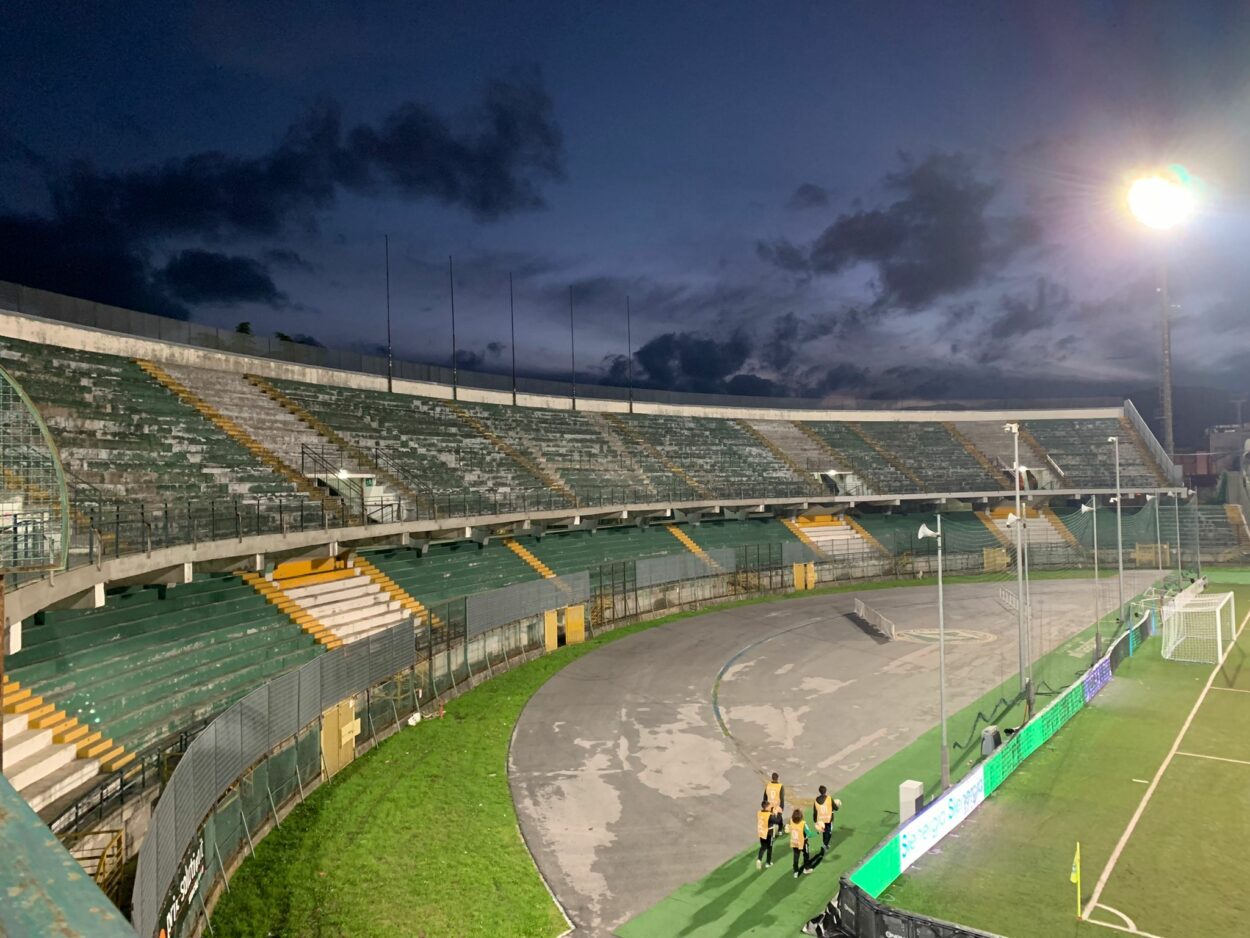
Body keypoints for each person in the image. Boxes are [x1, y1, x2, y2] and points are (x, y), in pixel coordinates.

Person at [812, 785, 840, 854]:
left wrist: (815, 820)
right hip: (828, 818)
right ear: (825, 791)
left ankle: (825, 844)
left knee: (824, 832)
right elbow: (835, 807)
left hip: (820, 819)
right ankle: (825, 844)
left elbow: (815, 811)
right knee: (829, 832)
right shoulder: (829, 798)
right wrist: (837, 807)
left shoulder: (816, 800)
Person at [788, 808, 811, 877]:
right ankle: (806, 868)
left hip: (795, 842)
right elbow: (809, 833)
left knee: (796, 856)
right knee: (806, 855)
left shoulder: (791, 821)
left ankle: (795, 871)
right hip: (803, 843)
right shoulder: (803, 824)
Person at [755, 798, 775, 870]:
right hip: (769, 833)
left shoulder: (759, 812)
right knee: (770, 848)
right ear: (766, 807)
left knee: (763, 847)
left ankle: (759, 859)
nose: (770, 807)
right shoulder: (769, 815)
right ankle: (768, 863)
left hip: (761, 832)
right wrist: (774, 813)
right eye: (769, 806)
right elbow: (776, 820)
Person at [764, 772, 785, 839]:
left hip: (769, 805)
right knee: (779, 818)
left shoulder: (768, 785)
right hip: (777, 806)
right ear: (777, 778)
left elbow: (765, 796)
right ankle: (780, 830)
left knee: (770, 818)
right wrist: (782, 807)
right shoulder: (780, 786)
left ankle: (770, 831)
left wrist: (765, 805)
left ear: (772, 778)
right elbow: (782, 798)